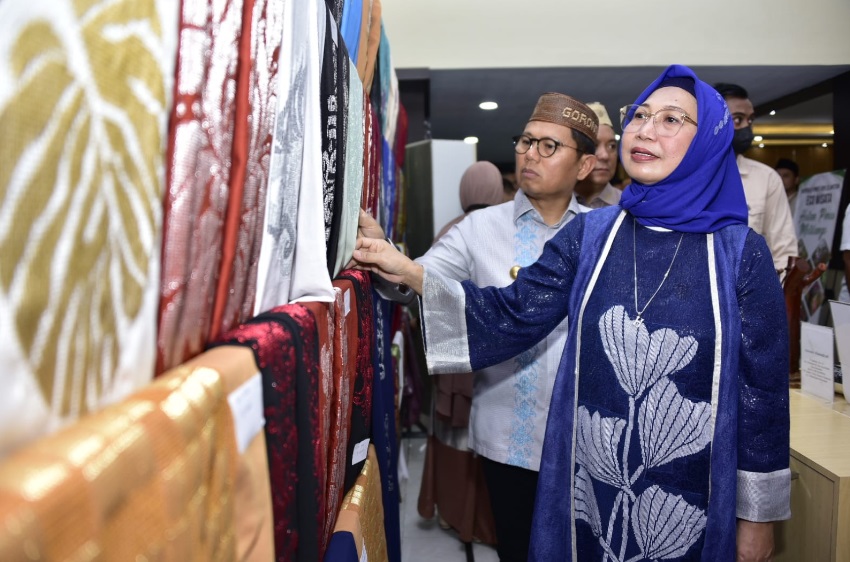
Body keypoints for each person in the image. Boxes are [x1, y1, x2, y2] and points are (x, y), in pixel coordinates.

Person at [354, 65, 790, 562]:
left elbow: (762, 396)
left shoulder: (739, 253)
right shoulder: (592, 236)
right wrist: (405, 269)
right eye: (640, 115)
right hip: (589, 489)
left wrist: (758, 518)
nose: (645, 130)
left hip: (694, 496)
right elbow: (513, 312)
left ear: (707, 140)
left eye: (671, 120)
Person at [360, 92, 599, 561]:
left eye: (549, 146)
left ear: (585, 165)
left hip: (586, 436)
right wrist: (386, 256)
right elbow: (417, 280)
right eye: (526, 141)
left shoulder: (603, 232)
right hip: (507, 432)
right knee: (516, 547)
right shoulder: (479, 228)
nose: (530, 154)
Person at [422, 160, 504, 545]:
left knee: (451, 433)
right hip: (491, 353)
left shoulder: (448, 232)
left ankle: (451, 513)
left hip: (451, 353)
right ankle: (485, 522)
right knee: (485, 438)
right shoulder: (501, 230)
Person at [714, 82, 797, 273]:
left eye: (750, 120)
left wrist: (778, 288)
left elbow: (783, 249)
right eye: (738, 119)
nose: (747, 127)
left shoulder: (766, 178)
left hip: (750, 287)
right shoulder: (682, 172)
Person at [574, 102, 622, 208]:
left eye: (612, 146)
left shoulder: (628, 208)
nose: (605, 156)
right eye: (594, 145)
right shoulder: (553, 204)